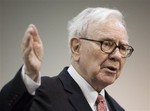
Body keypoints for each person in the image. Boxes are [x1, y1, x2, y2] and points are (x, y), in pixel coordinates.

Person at [0, 7, 134, 111]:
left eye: (122, 47)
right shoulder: (42, 93)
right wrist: (30, 75)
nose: (117, 55)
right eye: (107, 44)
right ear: (76, 47)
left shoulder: (117, 109)